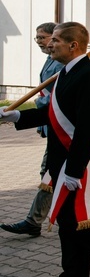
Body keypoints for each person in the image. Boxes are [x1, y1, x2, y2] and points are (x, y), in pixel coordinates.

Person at [1, 22, 90, 277]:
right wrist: (15, 115)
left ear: (73, 45)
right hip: (63, 159)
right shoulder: (66, 73)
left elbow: (87, 129)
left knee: (76, 219)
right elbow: (53, 113)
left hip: (80, 162)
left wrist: (74, 171)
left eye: (55, 40)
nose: (49, 45)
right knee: (69, 222)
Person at [1, 22, 63, 238]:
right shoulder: (51, 59)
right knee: (57, 175)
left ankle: (34, 221)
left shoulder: (61, 64)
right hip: (51, 126)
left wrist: (39, 103)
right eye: (36, 38)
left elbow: (57, 99)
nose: (39, 42)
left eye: (43, 37)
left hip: (62, 130)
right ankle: (86, 215)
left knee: (50, 173)